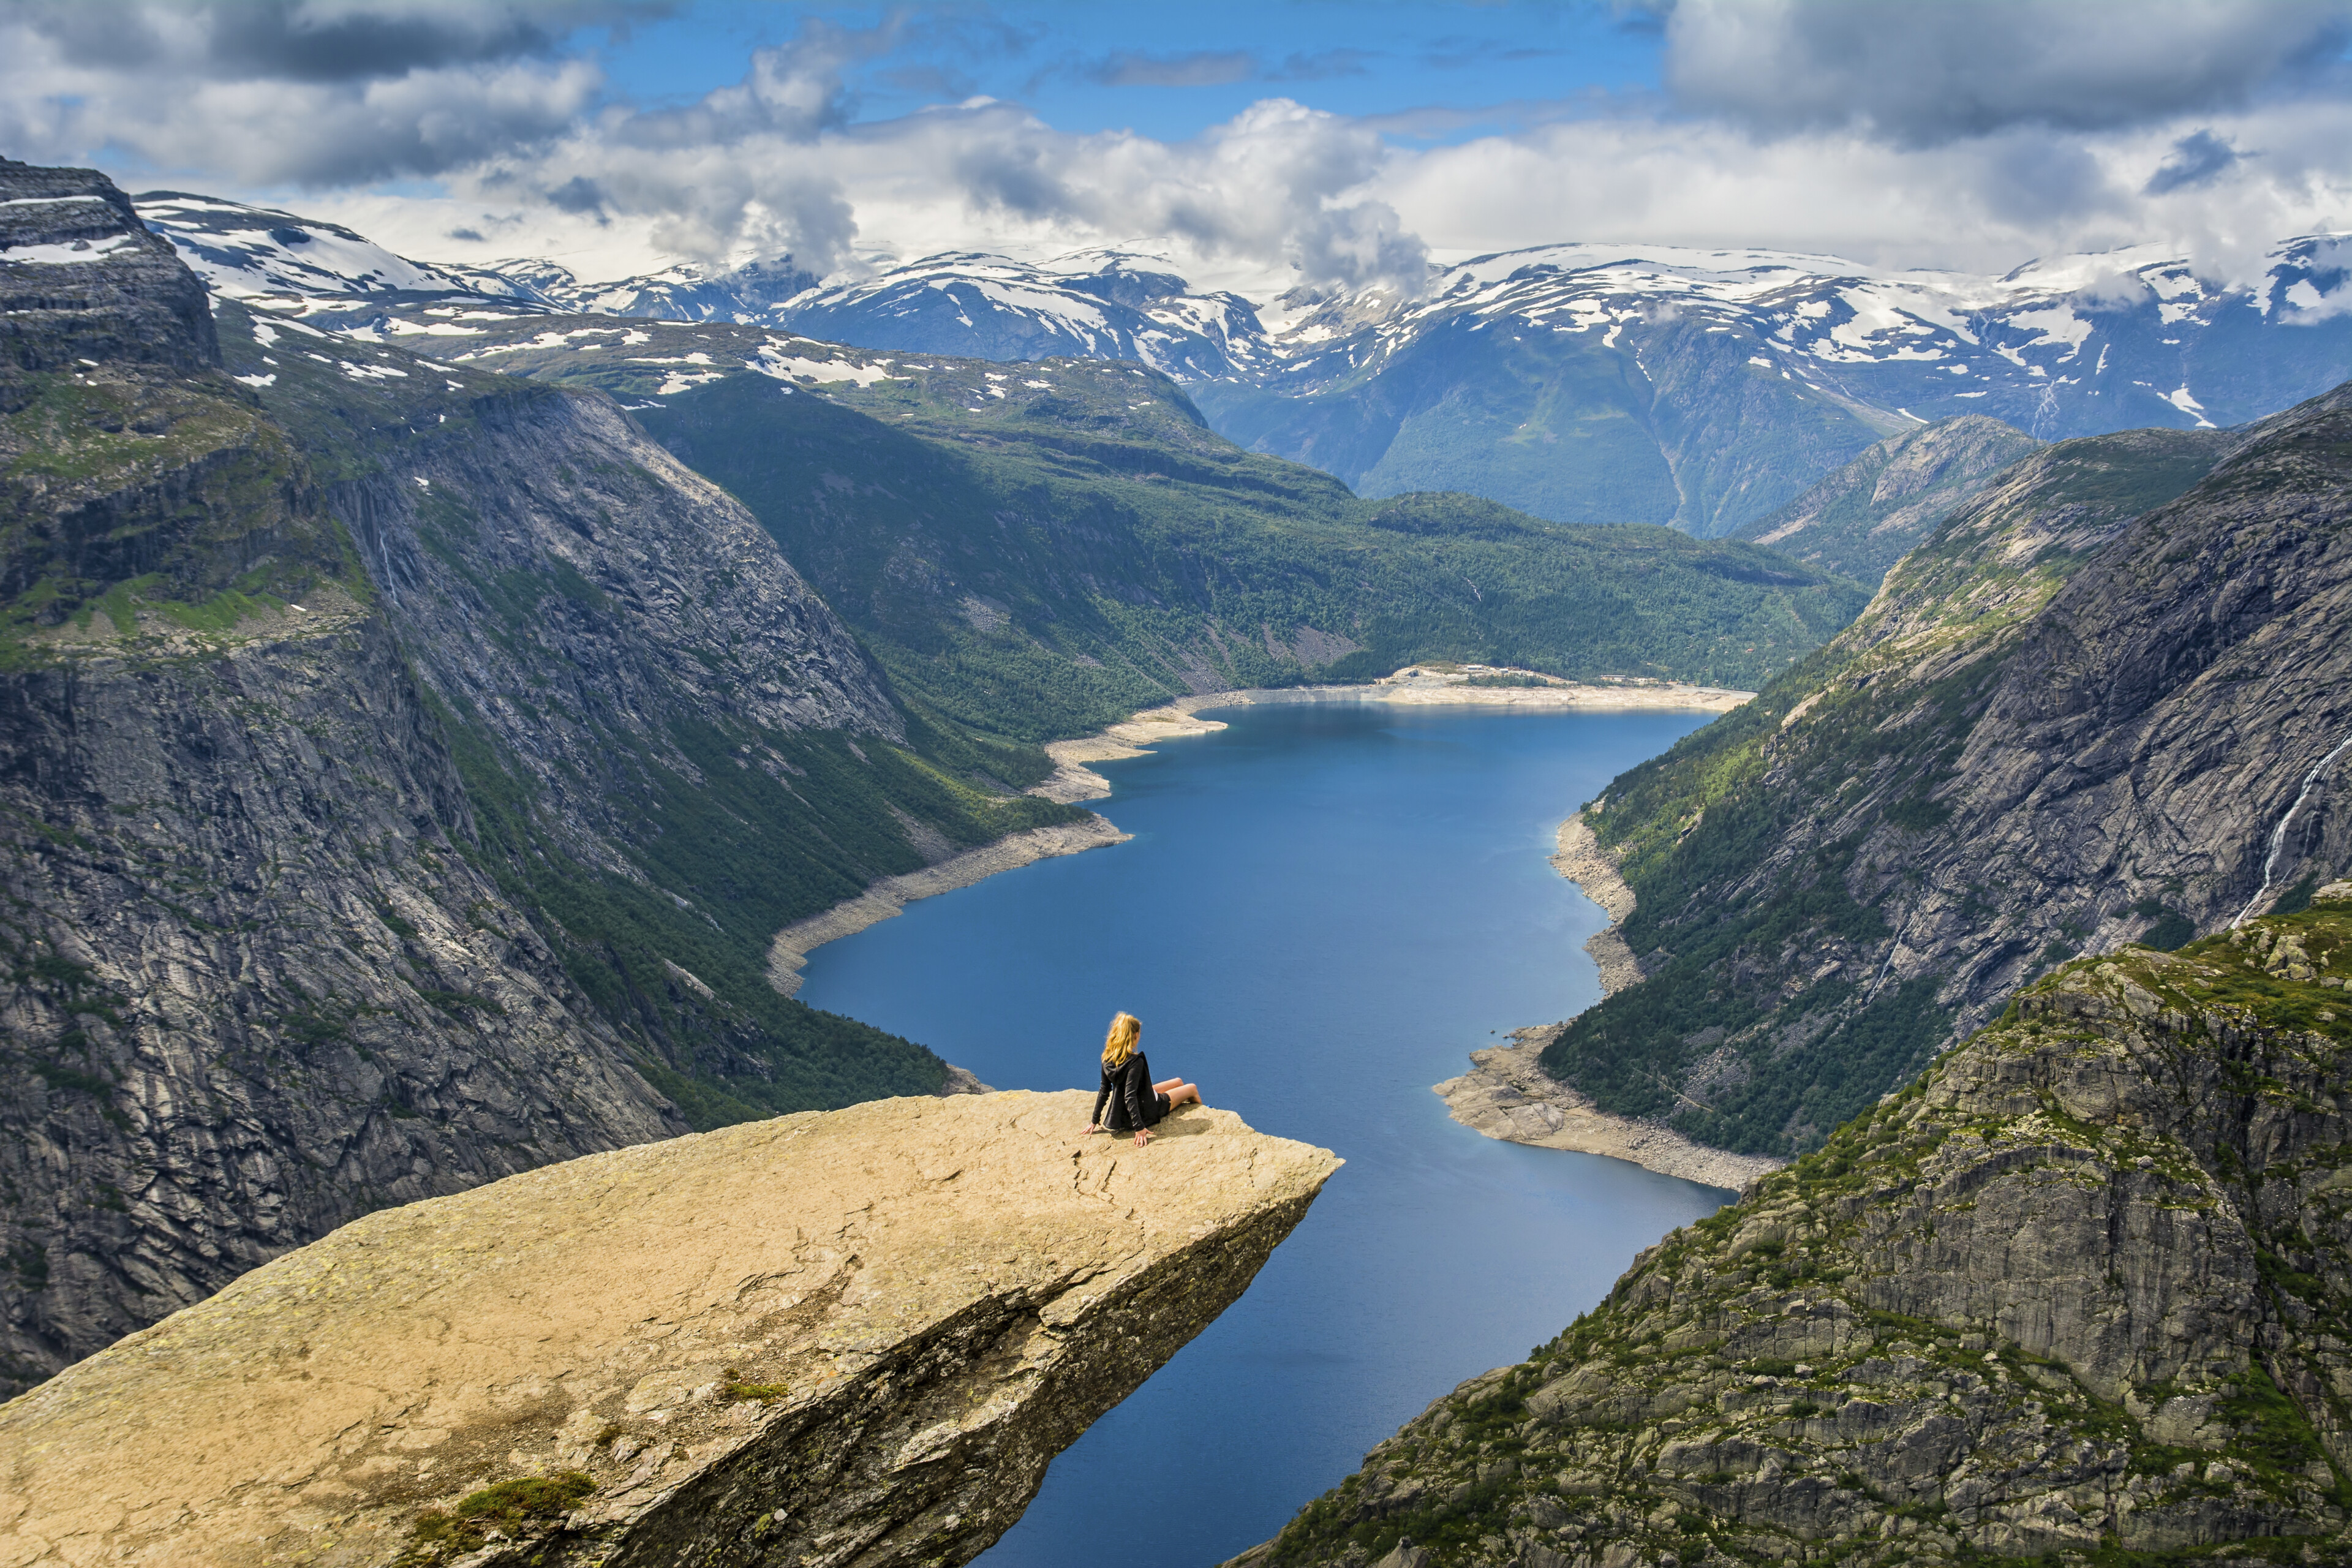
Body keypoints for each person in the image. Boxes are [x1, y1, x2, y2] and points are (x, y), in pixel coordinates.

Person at [1085, 1012, 1200, 1147]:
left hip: (1124, 1110)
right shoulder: (1135, 1062)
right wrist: (1139, 1128)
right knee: (1192, 1088)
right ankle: (1204, 1108)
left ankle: (1180, 1095)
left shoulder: (1107, 1058)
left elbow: (1104, 1090)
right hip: (1147, 1109)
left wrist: (1094, 1120)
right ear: (1135, 1035)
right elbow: (1130, 1096)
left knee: (1179, 1081)